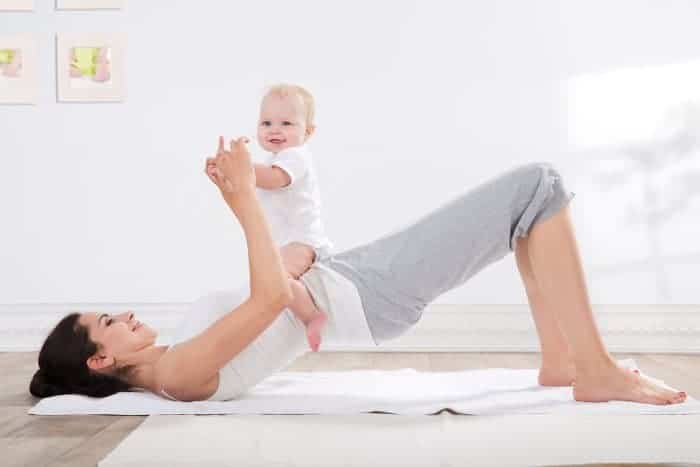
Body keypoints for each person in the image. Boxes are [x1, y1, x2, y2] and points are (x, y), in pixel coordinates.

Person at [30, 137, 687, 405]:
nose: (123, 314)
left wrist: (297, 256)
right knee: (538, 184)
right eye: (107, 323)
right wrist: (242, 202)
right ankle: (592, 369)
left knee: (529, 208)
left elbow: (278, 282)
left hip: (347, 275)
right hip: (370, 295)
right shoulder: (174, 374)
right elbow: (267, 297)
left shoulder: (176, 345)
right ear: (98, 361)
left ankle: (564, 364)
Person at [216, 83, 330, 352]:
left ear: (308, 132)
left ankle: (313, 316)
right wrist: (227, 174)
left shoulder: (295, 157)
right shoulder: (270, 162)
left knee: (276, 277)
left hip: (304, 241)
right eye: (266, 122)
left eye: (287, 123)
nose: (275, 129)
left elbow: (275, 180)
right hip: (283, 243)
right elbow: (249, 191)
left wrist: (241, 166)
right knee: (270, 281)